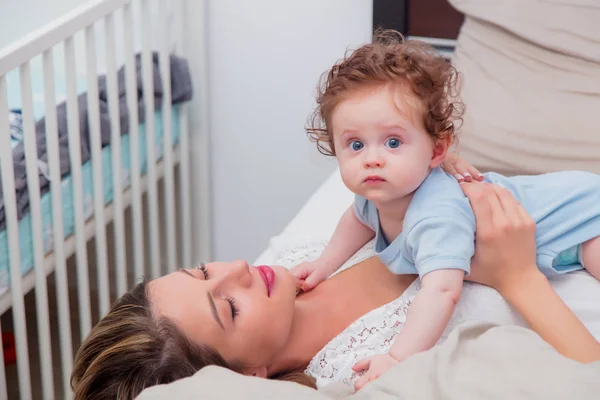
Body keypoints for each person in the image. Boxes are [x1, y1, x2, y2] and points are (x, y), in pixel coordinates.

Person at [70, 178, 600, 399]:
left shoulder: (297, 259)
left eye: (203, 271)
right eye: (229, 306)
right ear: (252, 378)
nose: (238, 267)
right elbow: (585, 378)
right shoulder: (373, 370)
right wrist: (518, 277)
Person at [291, 29, 600, 385]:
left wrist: (397, 357)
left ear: (437, 152)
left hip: (582, 216)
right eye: (355, 145)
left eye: (393, 142)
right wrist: (324, 264)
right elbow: (357, 219)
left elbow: (442, 290)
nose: (371, 159)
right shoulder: (374, 195)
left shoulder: (436, 215)